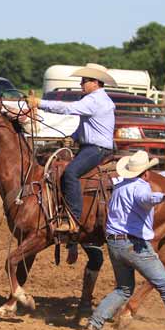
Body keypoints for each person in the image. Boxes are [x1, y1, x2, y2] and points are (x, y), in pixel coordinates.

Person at [79, 151, 165, 330]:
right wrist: (162, 197)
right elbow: (146, 198)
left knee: (123, 289)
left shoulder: (119, 183)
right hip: (135, 246)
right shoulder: (142, 189)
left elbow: (159, 178)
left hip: (114, 244)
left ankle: (93, 325)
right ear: (145, 173)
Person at [25, 63, 117, 260]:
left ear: (95, 82)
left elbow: (69, 109)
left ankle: (73, 218)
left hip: (96, 149)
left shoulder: (95, 100)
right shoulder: (95, 99)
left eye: (84, 81)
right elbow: (90, 125)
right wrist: (74, 137)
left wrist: (40, 103)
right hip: (91, 147)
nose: (81, 84)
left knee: (70, 173)